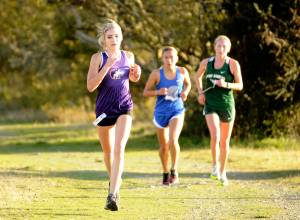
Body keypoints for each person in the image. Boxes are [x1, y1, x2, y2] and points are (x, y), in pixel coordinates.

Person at [86, 19, 141, 211]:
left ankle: (113, 195)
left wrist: (137, 74)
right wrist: (107, 65)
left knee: (119, 149)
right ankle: (114, 181)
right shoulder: (97, 58)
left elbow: (132, 79)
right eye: (110, 36)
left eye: (117, 36)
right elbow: (91, 86)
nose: (114, 39)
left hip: (124, 107)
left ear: (121, 37)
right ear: (103, 39)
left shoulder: (129, 56)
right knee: (108, 152)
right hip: (103, 111)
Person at [194, 35, 243, 186]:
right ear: (214, 47)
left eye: (224, 46)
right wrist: (201, 92)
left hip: (227, 106)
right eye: (219, 46)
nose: (221, 49)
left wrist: (226, 84)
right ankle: (215, 167)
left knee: (224, 141)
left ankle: (223, 172)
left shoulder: (233, 64)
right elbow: (197, 77)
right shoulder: (206, 62)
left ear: (228, 49)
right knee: (215, 135)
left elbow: (240, 85)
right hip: (210, 105)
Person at [143, 46, 191, 185]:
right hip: (160, 113)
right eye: (166, 57)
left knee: (173, 140)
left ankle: (174, 170)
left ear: (176, 58)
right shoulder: (156, 74)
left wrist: (185, 92)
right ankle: (165, 172)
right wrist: (158, 92)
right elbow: (146, 92)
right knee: (164, 146)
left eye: (172, 57)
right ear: (162, 59)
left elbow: (188, 84)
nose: (169, 60)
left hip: (177, 110)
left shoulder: (182, 71)